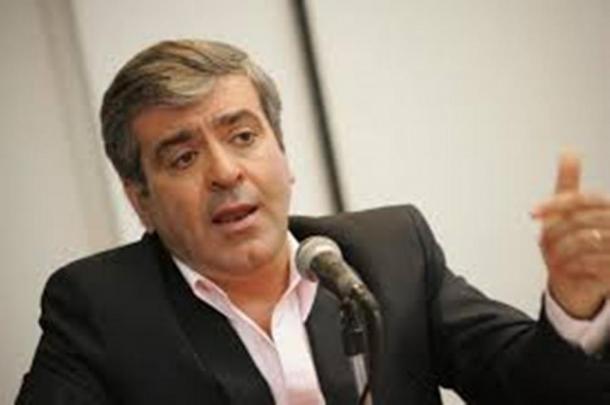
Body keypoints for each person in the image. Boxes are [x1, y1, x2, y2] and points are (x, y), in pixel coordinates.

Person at [16, 39, 610, 405]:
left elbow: (531, 387)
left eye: (242, 137)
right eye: (184, 158)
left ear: (282, 152)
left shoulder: (390, 253)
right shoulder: (101, 307)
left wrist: (575, 305)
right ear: (140, 199)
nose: (225, 172)